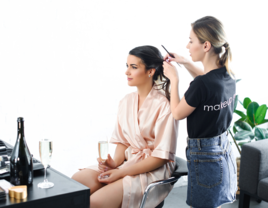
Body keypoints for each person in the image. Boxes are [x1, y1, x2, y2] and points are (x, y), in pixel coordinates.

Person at [72, 45, 178, 208]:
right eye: (127, 66)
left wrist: (120, 172)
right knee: (76, 184)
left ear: (150, 71)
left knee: (94, 202)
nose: (127, 72)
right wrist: (114, 163)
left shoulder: (165, 105)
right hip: (128, 162)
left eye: (133, 67)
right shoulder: (126, 101)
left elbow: (160, 157)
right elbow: (123, 141)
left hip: (152, 169)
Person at [162, 16, 237, 208]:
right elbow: (206, 85)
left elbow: (178, 113)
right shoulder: (227, 75)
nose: (187, 46)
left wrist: (174, 79)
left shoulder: (201, 84)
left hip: (204, 155)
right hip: (222, 150)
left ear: (206, 46)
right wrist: (186, 62)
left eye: (191, 40)